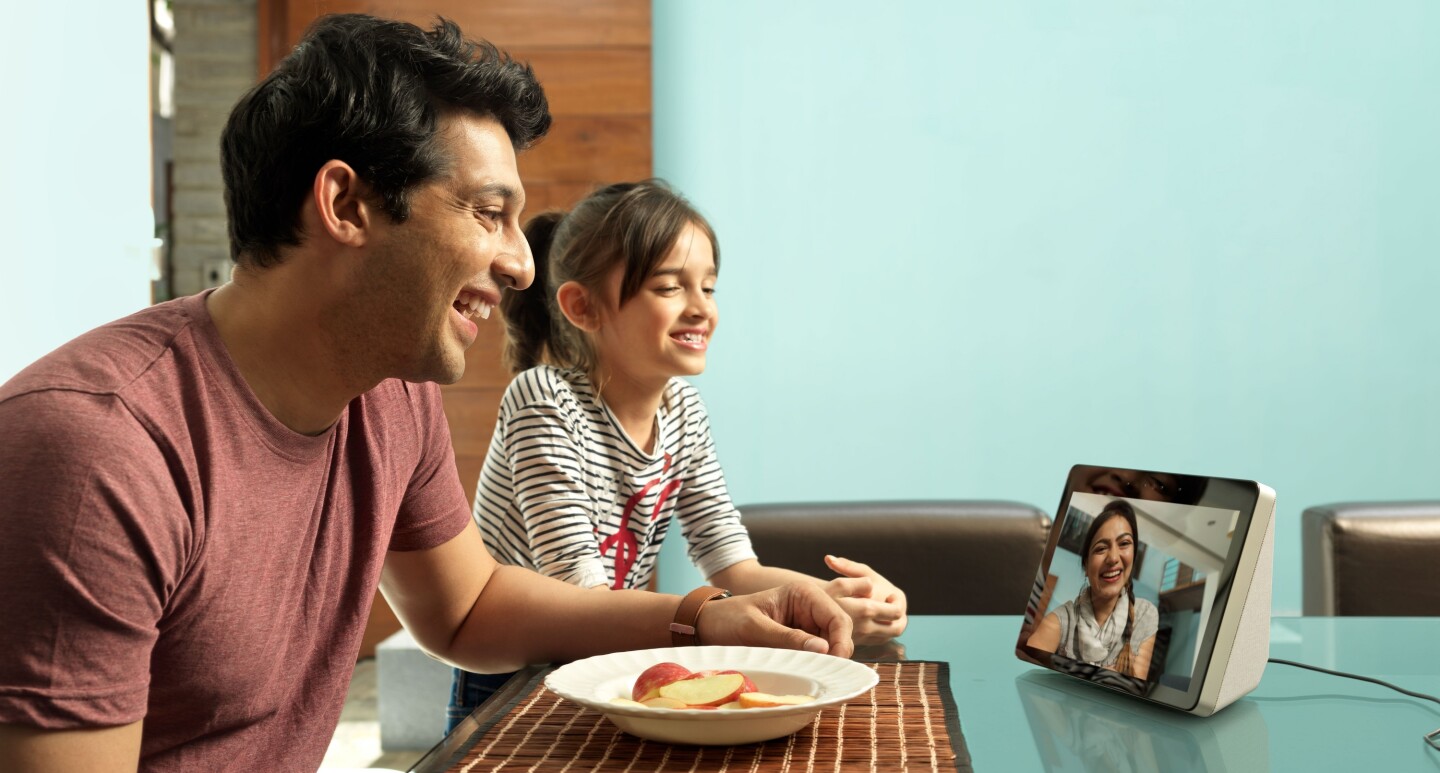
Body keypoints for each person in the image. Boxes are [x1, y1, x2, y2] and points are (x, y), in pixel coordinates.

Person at [0, 15, 855, 771]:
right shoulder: (94, 450)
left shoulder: (388, 392)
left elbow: (468, 606)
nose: (522, 262)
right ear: (345, 203)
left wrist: (703, 617)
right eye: (489, 213)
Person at [446, 179, 908, 730]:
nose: (700, 309)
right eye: (669, 288)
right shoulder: (543, 401)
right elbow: (578, 593)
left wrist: (826, 599)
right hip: (515, 673)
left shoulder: (683, 410)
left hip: (603, 659)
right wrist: (716, 616)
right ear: (583, 307)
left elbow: (734, 565)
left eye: (709, 288)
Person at [1025, 501, 1158, 679]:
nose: (1112, 558)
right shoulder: (1062, 619)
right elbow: (1028, 671)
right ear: (1086, 566)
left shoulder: (1144, 614)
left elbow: (1135, 689)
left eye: (1124, 543)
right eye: (1101, 548)